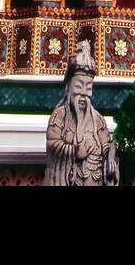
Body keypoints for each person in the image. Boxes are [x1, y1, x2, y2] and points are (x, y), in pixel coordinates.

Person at [45, 40, 119, 186]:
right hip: (72, 179)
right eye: (79, 87)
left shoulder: (97, 119)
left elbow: (107, 145)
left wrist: (111, 155)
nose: (83, 94)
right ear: (68, 87)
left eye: (88, 88)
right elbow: (52, 144)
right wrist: (74, 151)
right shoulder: (60, 115)